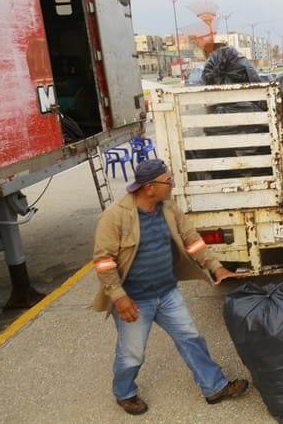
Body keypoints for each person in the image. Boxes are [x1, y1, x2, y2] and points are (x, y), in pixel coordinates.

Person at [92, 159, 249, 415]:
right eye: (168, 181)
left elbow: (192, 240)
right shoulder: (115, 216)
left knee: (191, 339)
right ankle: (124, 393)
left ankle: (215, 387)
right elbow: (104, 261)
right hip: (134, 300)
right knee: (132, 354)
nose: (172, 185)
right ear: (149, 187)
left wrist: (216, 266)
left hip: (167, 293)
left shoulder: (167, 207)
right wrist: (119, 297)